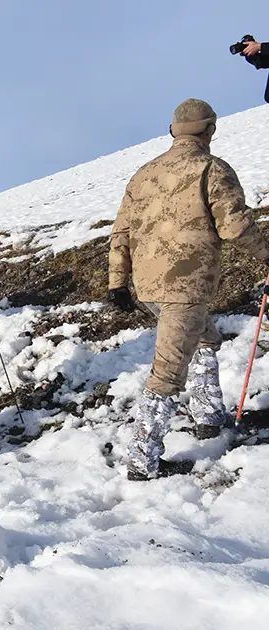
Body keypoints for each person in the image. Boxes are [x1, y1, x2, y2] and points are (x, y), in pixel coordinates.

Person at [108, 98, 269, 481]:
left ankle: (208, 417)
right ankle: (142, 461)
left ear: (173, 131)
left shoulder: (142, 174)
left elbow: (121, 233)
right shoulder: (211, 169)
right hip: (186, 287)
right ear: (210, 130)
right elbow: (235, 227)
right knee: (166, 373)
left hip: (148, 287)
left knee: (205, 338)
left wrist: (118, 282)